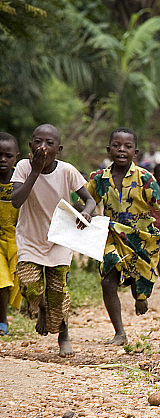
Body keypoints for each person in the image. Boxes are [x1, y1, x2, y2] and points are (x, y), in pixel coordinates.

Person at [11, 124, 97, 356]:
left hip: (59, 238)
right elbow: (16, 201)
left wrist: (87, 213)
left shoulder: (67, 171)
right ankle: (40, 306)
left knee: (58, 291)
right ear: (30, 146)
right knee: (31, 287)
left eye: (49, 143)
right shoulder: (22, 167)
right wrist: (35, 172)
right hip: (30, 238)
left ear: (58, 149)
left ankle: (63, 337)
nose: (43, 147)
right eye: (38, 142)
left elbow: (89, 200)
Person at [86, 127, 160, 345]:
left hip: (141, 239)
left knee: (139, 283)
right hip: (112, 236)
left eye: (128, 146)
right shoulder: (99, 179)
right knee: (108, 282)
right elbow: (85, 199)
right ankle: (120, 333)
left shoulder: (144, 177)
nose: (122, 150)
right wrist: (83, 211)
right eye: (116, 145)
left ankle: (140, 296)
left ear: (136, 152)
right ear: (109, 150)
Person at [0, 133, 22, 335]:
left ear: (16, 156)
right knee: (3, 280)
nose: (3, 160)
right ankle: (3, 321)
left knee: (16, 280)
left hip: (16, 238)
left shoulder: (20, 179)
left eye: (8, 155)